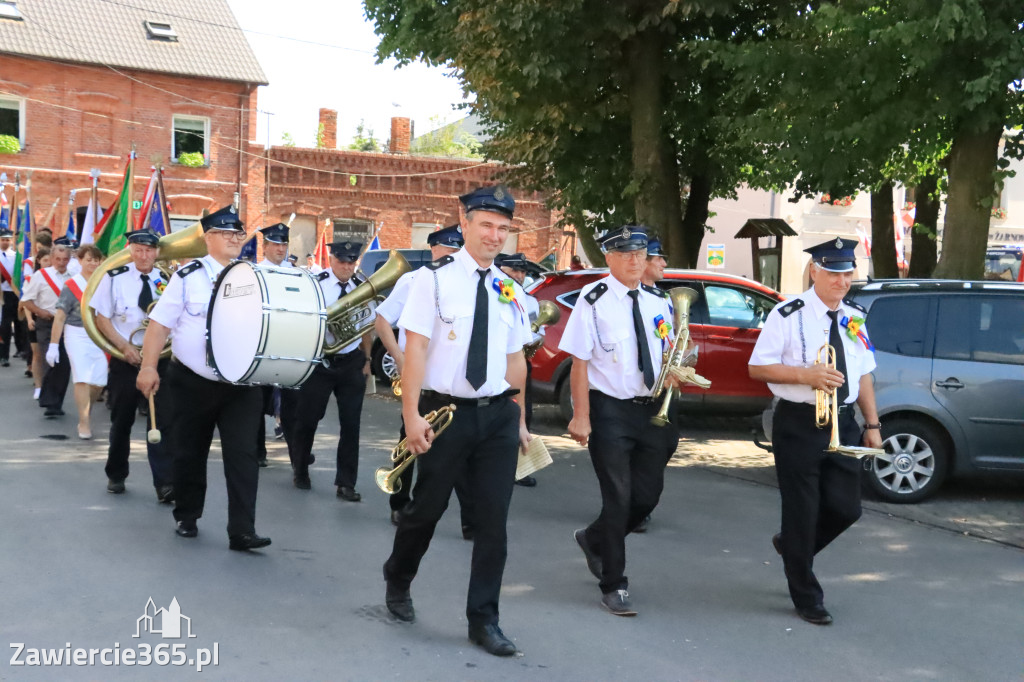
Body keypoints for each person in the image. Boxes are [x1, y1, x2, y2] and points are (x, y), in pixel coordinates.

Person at [382, 185, 531, 658]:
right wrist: (410, 417)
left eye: (502, 228)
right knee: (426, 510)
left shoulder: (511, 289)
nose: (494, 235)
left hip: (497, 419)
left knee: (493, 522)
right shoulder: (433, 280)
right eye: (486, 225)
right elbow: (417, 349)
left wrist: (521, 419)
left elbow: (516, 360)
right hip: (444, 415)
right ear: (463, 223)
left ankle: (484, 620)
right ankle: (399, 576)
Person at [748, 237, 882, 626]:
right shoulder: (788, 314)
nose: (843, 281)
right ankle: (807, 594)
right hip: (800, 422)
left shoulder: (854, 316)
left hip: (843, 420)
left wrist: (872, 424)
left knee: (846, 508)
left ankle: (793, 549)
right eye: (835, 274)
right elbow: (759, 367)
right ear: (814, 271)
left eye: (847, 273)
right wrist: (806, 375)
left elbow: (865, 374)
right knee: (802, 511)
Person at [559, 224, 683, 617]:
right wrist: (581, 415)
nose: (635, 261)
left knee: (647, 497)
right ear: (609, 258)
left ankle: (594, 539)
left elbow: (671, 350)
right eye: (626, 254)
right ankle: (614, 584)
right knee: (618, 497)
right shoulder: (592, 300)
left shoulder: (659, 300)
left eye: (641, 254)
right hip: (609, 408)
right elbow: (579, 362)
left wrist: (680, 365)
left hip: (652, 408)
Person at [137, 205, 271, 552]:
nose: (234, 239)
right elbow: (159, 326)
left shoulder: (254, 277)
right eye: (226, 233)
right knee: (189, 451)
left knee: (243, 456)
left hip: (241, 385)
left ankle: (242, 530)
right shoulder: (188, 276)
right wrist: (149, 366)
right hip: (193, 382)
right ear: (208, 237)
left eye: (238, 234)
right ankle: (187, 515)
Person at [375, 223, 464, 525]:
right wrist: (399, 357)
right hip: (419, 378)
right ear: (433, 249)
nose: (452, 254)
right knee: (409, 441)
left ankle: (468, 517)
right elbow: (383, 320)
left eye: (457, 249)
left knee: (460, 447)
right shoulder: (413, 280)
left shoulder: (466, 284)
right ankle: (399, 501)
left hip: (451, 380)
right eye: (447, 248)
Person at [90, 228, 174, 500]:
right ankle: (116, 474)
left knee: (160, 422)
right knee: (122, 420)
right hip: (126, 359)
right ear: (130, 250)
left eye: (149, 249)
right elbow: (102, 318)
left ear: (157, 251)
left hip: (159, 360)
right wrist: (125, 347)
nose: (144, 255)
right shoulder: (113, 278)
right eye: (138, 249)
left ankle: (164, 483)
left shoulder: (166, 279)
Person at [288, 240, 372, 496]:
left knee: (351, 424)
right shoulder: (317, 283)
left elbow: (367, 326)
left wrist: (367, 360)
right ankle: (300, 468)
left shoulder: (362, 288)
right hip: (320, 362)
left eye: (351, 262)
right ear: (331, 259)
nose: (346, 267)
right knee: (308, 419)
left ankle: (346, 483)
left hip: (350, 362)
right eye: (341, 261)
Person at [46, 244, 106, 439]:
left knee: (98, 382)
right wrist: (54, 345)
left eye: (96, 260)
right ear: (79, 261)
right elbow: (60, 316)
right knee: (81, 377)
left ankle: (86, 411)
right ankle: (84, 422)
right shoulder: (71, 285)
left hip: (100, 336)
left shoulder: (105, 283)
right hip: (76, 334)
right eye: (88, 259)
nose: (93, 263)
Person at [496, 251, 541, 487]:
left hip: (520, 360)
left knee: (524, 414)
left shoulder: (529, 299)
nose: (520, 275)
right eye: (515, 270)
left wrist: (535, 340)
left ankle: (519, 468)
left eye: (523, 271)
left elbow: (536, 332)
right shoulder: (499, 291)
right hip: (497, 363)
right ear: (501, 268)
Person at [22, 238, 74, 417]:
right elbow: (26, 300)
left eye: (65, 259)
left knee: (65, 364)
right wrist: (39, 312)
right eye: (58, 259)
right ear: (51, 259)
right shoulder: (41, 276)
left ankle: (56, 400)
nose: (61, 263)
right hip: (47, 322)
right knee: (50, 360)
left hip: (68, 324)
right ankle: (50, 402)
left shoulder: (74, 276)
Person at [254, 223, 292, 467]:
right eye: (275, 244)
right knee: (257, 402)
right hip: (262, 343)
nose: (280, 248)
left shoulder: (295, 272)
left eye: (283, 244)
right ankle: (258, 451)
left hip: (288, 343)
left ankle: (297, 453)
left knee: (290, 402)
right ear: (265, 246)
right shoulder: (255, 273)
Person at [21, 248, 50, 396]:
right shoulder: (33, 278)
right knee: (38, 354)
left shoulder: (59, 277)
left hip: (53, 321)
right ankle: (39, 386)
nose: (48, 263)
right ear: (38, 261)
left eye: (49, 259)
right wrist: (30, 319)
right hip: (36, 318)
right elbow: (26, 300)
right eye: (44, 260)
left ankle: (50, 386)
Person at [0, 227, 28, 367]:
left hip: (15, 293)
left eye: (7, 240)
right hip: (2, 294)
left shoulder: (16, 256)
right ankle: (4, 355)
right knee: (4, 326)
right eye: (3, 240)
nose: (5, 242)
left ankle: (22, 349)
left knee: (20, 322)